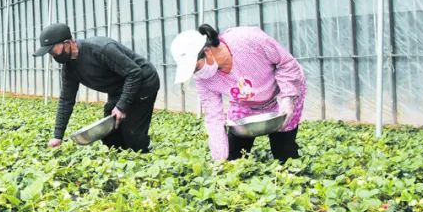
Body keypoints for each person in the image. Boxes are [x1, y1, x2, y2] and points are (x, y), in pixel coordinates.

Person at [170, 24, 306, 163]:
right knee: (234, 155)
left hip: (282, 93)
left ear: (207, 51)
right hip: (246, 101)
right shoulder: (204, 79)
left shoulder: (248, 40)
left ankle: (291, 172)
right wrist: (220, 160)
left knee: (283, 150)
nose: (196, 73)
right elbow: (214, 118)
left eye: (196, 67)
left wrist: (288, 98)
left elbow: (286, 64)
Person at [34, 23, 159, 151]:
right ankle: (121, 164)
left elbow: (134, 73)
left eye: (53, 50)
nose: (52, 54)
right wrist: (58, 136)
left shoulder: (100, 49)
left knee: (132, 135)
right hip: (119, 88)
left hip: (144, 82)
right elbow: (66, 100)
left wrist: (121, 106)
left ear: (67, 42)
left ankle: (145, 150)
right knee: (109, 134)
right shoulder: (69, 68)